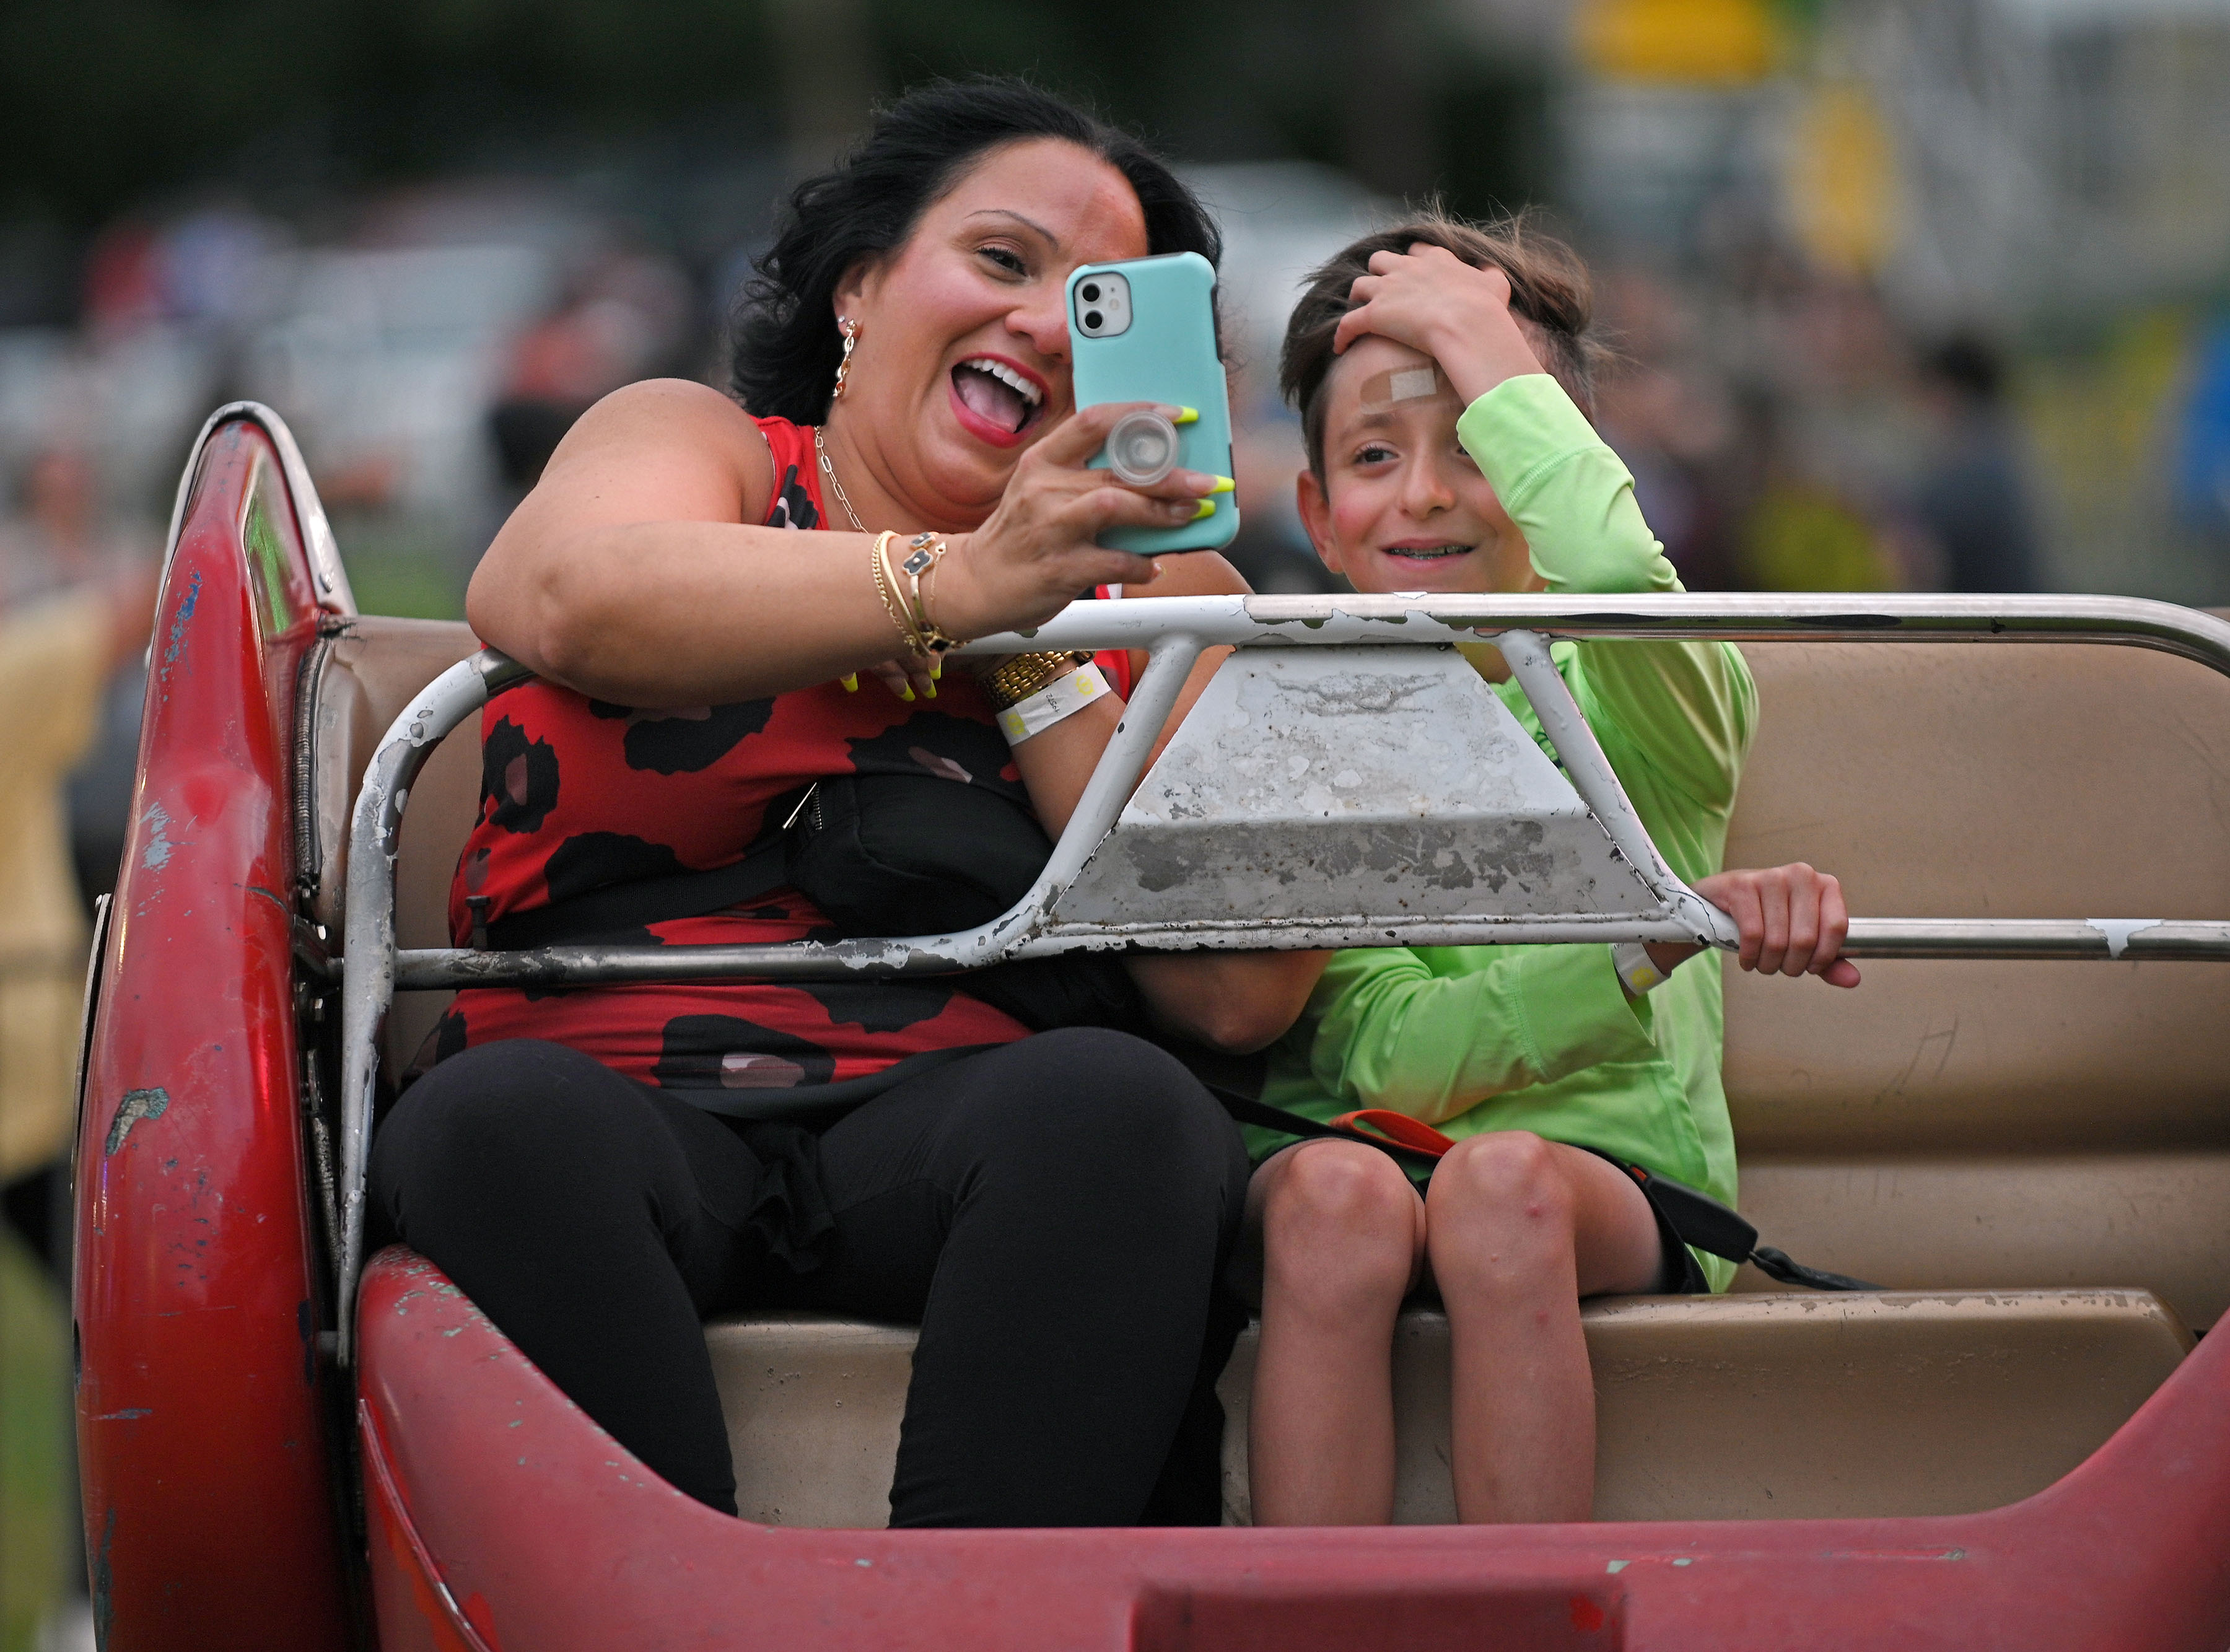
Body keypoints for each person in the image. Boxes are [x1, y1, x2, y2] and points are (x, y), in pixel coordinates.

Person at [370, 78, 1312, 1528]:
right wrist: (957, 584)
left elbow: (1243, 992)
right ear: (863, 289)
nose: (1049, 325)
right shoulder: (709, 451)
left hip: (957, 1120)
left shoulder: (1174, 602)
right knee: (494, 1127)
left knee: (1127, 1114)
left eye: (1104, 306)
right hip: (598, 1096)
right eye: (1002, 262)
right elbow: (556, 591)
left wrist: (1035, 646)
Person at [1235, 216, 1860, 1527]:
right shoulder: (1296, 734)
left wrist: (1482, 333)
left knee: (1499, 1184)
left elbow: (1622, 577)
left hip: (1608, 1180)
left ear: (1552, 460)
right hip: (1379, 1154)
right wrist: (1629, 952)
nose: (1424, 494)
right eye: (1372, 456)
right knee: (1328, 1193)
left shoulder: (1651, 703)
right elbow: (1390, 1055)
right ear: (1318, 515)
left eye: (1479, 440)